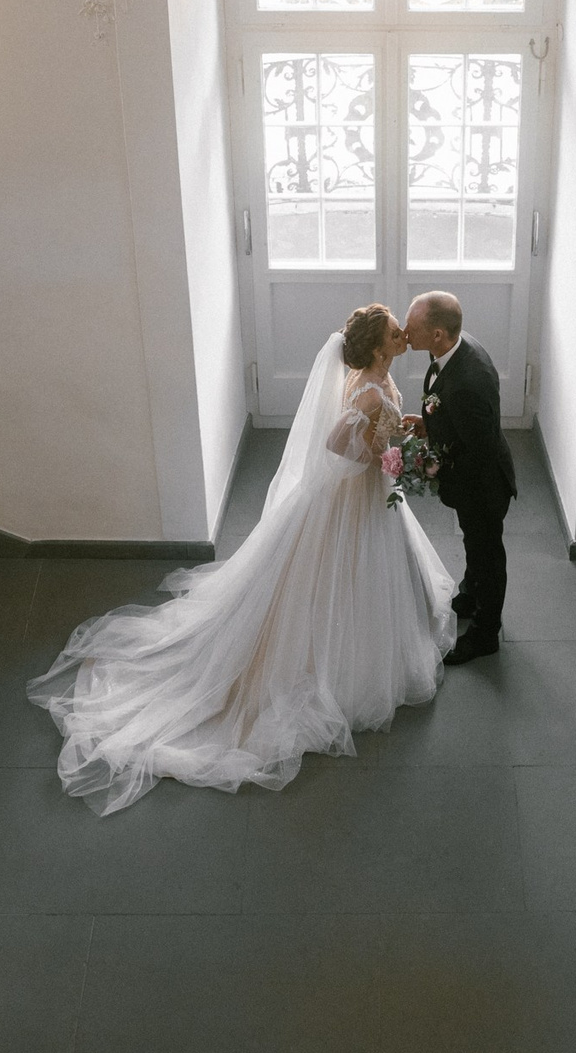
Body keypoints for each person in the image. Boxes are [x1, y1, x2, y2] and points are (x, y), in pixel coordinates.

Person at [28, 304, 456, 815]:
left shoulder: (378, 378)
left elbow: (374, 429)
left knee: (369, 575)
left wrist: (393, 443)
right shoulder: (366, 387)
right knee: (332, 577)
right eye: (394, 331)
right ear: (379, 345)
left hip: (371, 495)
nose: (403, 334)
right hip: (352, 502)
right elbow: (336, 442)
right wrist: (385, 457)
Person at [403, 290, 515, 664]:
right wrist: (429, 425)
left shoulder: (469, 381)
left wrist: (432, 465)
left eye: (413, 325)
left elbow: (479, 453)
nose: (405, 331)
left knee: (487, 551)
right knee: (473, 541)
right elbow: (457, 416)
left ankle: (486, 633)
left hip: (482, 485)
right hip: (472, 475)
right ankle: (470, 593)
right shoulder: (455, 346)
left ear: (437, 334)